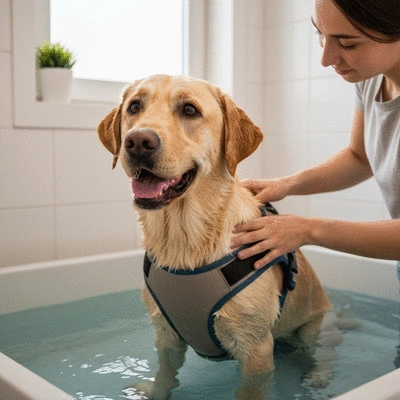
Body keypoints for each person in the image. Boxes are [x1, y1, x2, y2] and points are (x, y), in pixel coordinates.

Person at [230, 0, 400, 278]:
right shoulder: (371, 79)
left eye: (348, 44)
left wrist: (308, 229)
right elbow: (360, 157)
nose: (326, 58)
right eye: (319, 32)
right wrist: (287, 184)